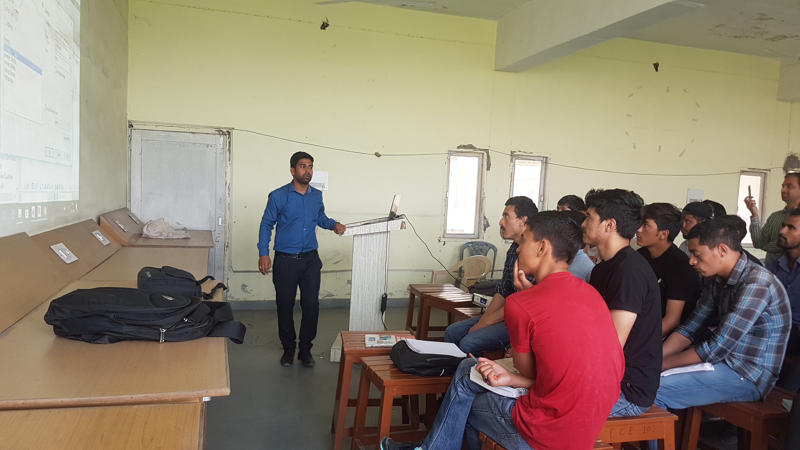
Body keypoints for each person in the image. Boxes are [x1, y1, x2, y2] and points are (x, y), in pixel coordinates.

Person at [381, 212, 624, 450]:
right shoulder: (592, 295)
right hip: (589, 426)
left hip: (546, 433)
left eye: (524, 241)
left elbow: (527, 371)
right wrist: (509, 378)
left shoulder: (522, 303)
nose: (518, 249)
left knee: (466, 397)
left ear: (542, 248)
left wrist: (526, 297)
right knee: (469, 371)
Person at [655, 216, 791, 412]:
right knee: (646, 376)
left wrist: (659, 364)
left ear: (722, 250)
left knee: (653, 387)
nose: (691, 261)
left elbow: (716, 347)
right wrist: (654, 359)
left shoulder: (757, 283)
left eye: (696, 254)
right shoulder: (716, 279)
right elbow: (691, 328)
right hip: (720, 363)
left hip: (747, 375)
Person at [257, 151, 346, 367]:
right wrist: (263, 253)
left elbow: (320, 217)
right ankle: (288, 349)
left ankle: (305, 350)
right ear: (292, 170)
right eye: (303, 166)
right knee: (285, 304)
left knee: (311, 304)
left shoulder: (316, 196)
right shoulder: (278, 196)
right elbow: (266, 224)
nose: (308, 171)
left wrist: (333, 224)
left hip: (310, 261)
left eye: (310, 166)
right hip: (285, 261)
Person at [583, 188, 662, 417]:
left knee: (529, 412)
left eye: (589, 217)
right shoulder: (602, 269)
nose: (583, 224)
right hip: (604, 378)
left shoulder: (629, 271)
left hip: (625, 390)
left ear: (609, 225)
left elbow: (611, 345)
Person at [443, 197, 537, 356]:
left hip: (522, 321)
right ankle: (446, 370)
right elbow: (503, 290)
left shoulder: (533, 253)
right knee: (452, 331)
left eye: (506, 216)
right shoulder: (513, 249)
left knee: (469, 341)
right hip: (507, 315)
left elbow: (521, 302)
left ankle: (470, 372)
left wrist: (484, 324)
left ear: (523, 220)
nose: (501, 222)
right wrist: (484, 320)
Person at [635, 203, 701, 336]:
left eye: (646, 225)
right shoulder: (640, 256)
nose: (638, 229)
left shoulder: (680, 266)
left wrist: (640, 341)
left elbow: (671, 321)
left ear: (663, 234)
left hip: (666, 335)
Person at [766, 208, 800, 390]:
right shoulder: (774, 265)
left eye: (791, 228)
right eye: (783, 226)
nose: (782, 231)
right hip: (775, 330)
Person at [745, 172, 800, 263]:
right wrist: (754, 214)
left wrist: (765, 246)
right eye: (783, 186)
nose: (783, 190)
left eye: (789, 186)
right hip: (771, 269)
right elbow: (758, 243)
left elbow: (784, 246)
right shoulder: (775, 216)